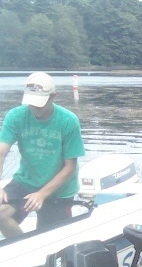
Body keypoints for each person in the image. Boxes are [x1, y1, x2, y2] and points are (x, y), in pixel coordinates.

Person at [0, 72, 85, 238]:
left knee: (47, 237)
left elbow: (70, 167)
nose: (35, 108)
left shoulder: (68, 121)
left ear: (53, 96)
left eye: (40, 102)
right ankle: (23, 250)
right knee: (1, 214)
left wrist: (42, 194)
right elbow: (1, 151)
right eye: (32, 102)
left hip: (60, 190)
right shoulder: (16, 116)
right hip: (26, 181)